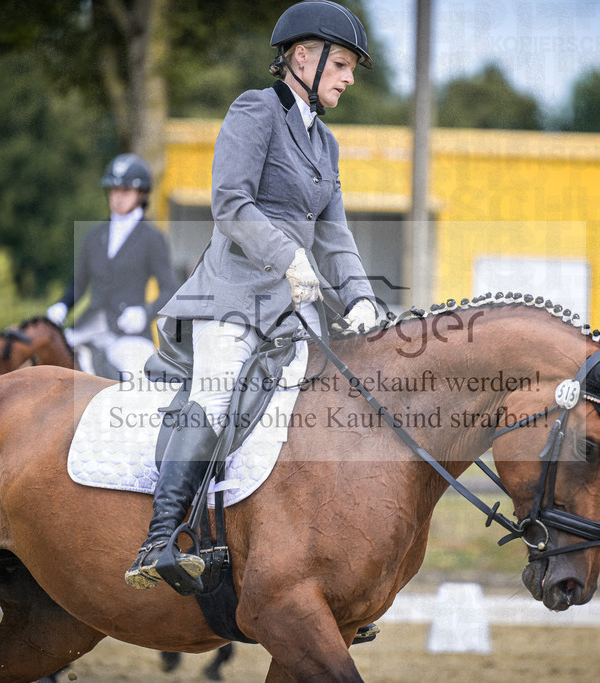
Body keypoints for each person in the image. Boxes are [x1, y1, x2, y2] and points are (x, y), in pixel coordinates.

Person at [124, 0, 379, 595]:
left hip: (295, 310)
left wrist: (362, 298)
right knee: (215, 396)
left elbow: (335, 232)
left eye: (350, 69)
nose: (346, 78)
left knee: (329, 408)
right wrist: (290, 256)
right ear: (302, 56)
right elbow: (231, 204)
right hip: (231, 296)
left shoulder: (326, 145)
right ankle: (160, 538)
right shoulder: (255, 111)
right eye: (340, 64)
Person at [47, 153, 177, 380]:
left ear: (141, 194)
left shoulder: (152, 238)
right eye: (113, 190)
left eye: (125, 191)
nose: (117, 197)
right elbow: (78, 284)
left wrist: (144, 313)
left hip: (129, 333)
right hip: (90, 328)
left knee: (139, 377)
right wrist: (62, 305)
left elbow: (170, 289)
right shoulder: (94, 236)